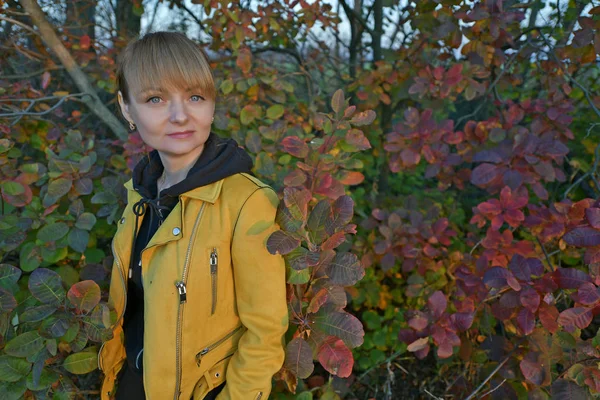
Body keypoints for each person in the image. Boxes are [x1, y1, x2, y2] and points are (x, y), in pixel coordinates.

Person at [97, 31, 288, 400]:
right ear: (126, 108)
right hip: (132, 384)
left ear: (212, 106)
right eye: (155, 98)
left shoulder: (246, 202)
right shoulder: (138, 193)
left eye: (195, 96)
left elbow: (264, 333)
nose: (180, 115)